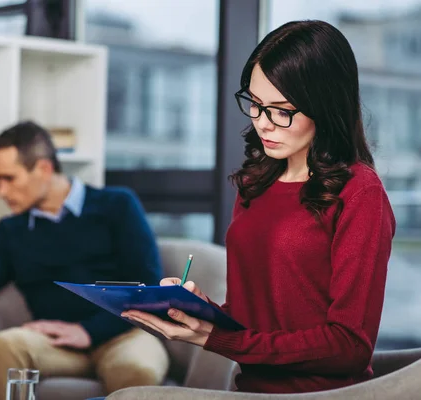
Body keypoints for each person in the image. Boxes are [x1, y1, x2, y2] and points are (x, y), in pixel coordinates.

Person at [121, 20, 396, 394]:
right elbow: (253, 320)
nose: (262, 124)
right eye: (255, 103)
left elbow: (349, 346)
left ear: (325, 106)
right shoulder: (256, 182)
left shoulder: (360, 192)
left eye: (281, 111)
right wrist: (200, 311)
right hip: (248, 389)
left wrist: (217, 339)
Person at [0, 121, 169, 400]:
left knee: (136, 368)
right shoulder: (11, 231)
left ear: (43, 169)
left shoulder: (117, 206)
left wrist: (88, 330)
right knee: (5, 344)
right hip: (55, 344)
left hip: (124, 334)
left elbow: (150, 290)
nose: (0, 192)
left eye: (9, 178)